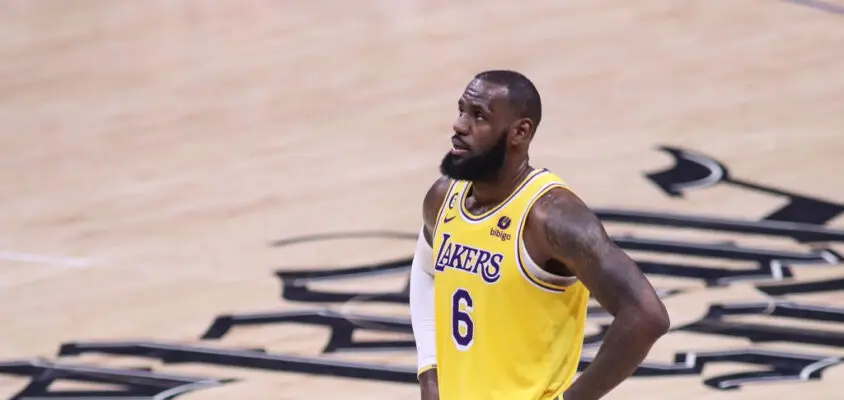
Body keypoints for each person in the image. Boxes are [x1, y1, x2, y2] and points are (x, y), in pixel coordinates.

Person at [408, 70, 671, 400]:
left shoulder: (552, 218)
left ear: (520, 131)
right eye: (461, 110)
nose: (460, 126)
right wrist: (429, 372)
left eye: (478, 116)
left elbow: (646, 315)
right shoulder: (443, 197)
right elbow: (424, 269)